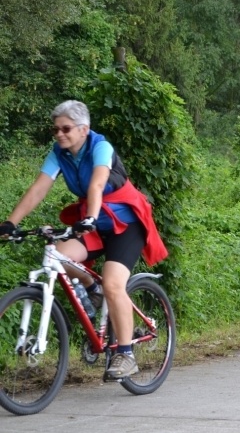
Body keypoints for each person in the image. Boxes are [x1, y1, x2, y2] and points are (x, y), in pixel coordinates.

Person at [0, 100, 168, 379]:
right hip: (92, 224)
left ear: (83, 129)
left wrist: (89, 217)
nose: (59, 134)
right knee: (59, 256)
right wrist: (9, 223)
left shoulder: (100, 147)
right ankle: (92, 287)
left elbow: (97, 184)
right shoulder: (59, 153)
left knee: (114, 283)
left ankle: (125, 354)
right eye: (55, 130)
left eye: (66, 128)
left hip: (124, 224)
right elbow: (39, 189)